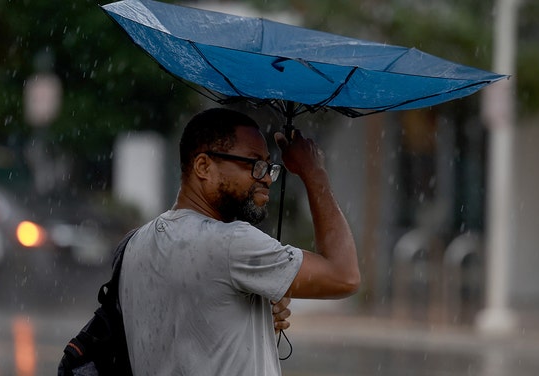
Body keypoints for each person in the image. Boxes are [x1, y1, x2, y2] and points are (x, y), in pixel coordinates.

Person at [119, 108, 360, 375]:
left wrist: (251, 319)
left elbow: (183, 331)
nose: (267, 178)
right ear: (203, 166)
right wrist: (314, 173)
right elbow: (344, 276)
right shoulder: (232, 242)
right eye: (254, 164)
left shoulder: (134, 244)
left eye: (269, 166)